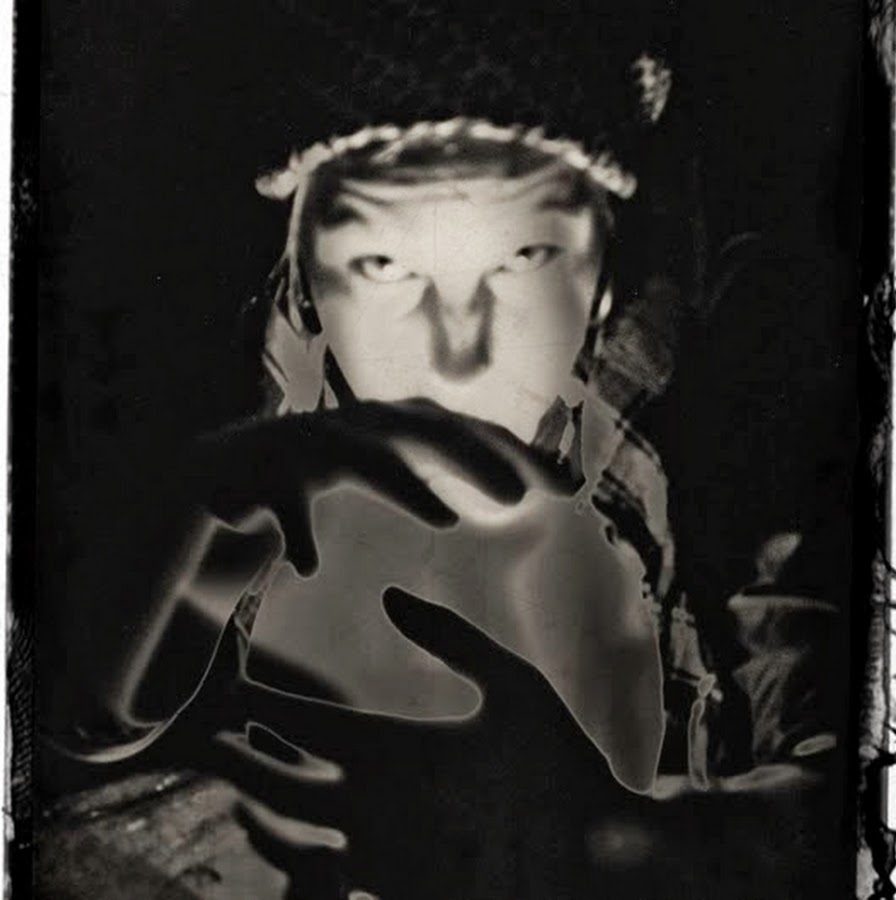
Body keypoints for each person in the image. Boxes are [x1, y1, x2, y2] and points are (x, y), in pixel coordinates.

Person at [46, 3, 848, 898]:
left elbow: (847, 789)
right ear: (304, 282)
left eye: (524, 257)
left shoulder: (710, 435)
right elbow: (74, 753)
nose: (456, 351)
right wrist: (184, 542)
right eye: (385, 267)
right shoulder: (237, 407)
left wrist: (612, 843)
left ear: (603, 275)